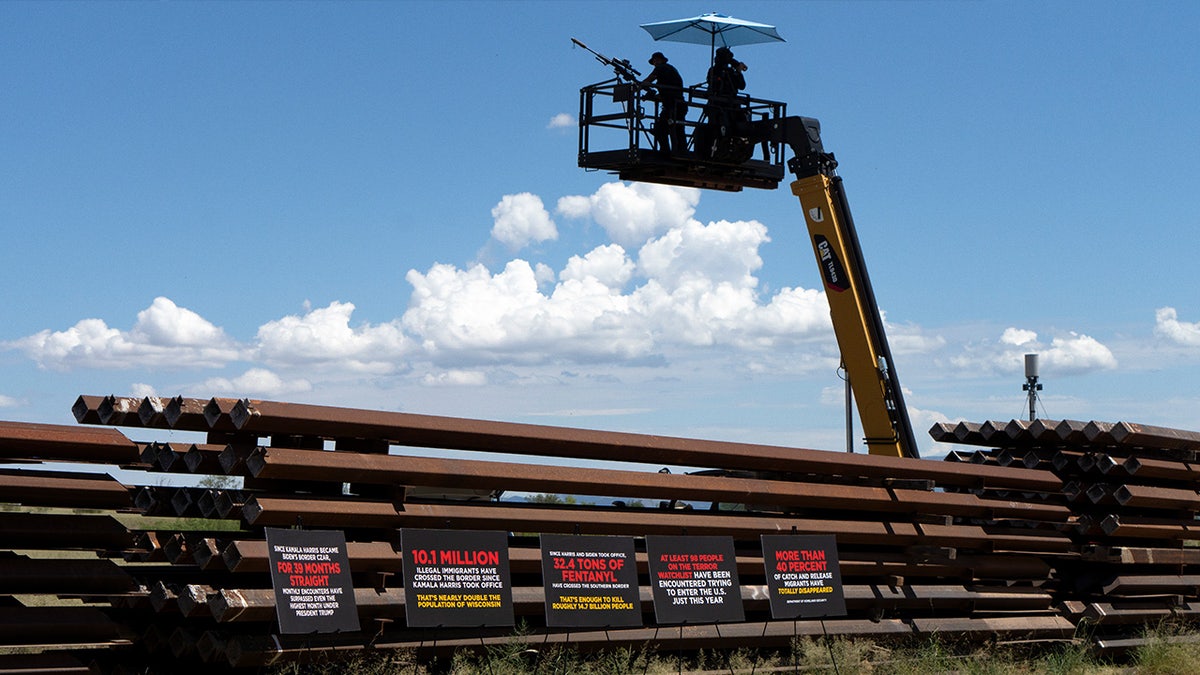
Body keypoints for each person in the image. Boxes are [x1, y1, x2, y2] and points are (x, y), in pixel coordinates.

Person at [639, 51, 688, 154]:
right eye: (654, 61)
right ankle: (681, 151)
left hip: (673, 105)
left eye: (656, 60)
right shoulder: (670, 70)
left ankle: (665, 151)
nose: (655, 62)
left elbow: (649, 80)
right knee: (677, 130)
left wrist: (639, 86)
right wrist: (653, 95)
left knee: (660, 129)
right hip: (677, 104)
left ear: (661, 60)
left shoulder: (662, 68)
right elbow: (668, 92)